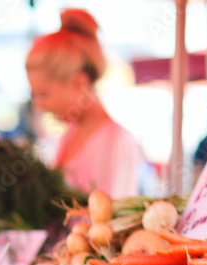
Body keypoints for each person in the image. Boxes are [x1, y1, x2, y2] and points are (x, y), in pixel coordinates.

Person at [25, 9, 141, 197]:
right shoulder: (70, 134)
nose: (38, 105)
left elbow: (106, 223)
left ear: (79, 83)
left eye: (43, 94)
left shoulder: (114, 141)